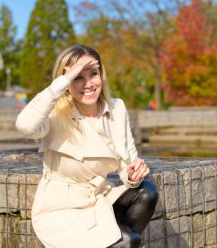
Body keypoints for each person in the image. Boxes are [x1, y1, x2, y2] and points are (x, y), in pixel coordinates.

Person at [16, 45, 158, 248]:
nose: (88, 84)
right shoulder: (55, 113)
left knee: (147, 191)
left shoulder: (116, 108)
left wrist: (132, 174)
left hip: (98, 198)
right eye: (77, 77)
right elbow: (24, 125)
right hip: (62, 208)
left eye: (93, 74)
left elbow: (127, 162)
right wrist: (63, 81)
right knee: (129, 240)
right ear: (66, 82)